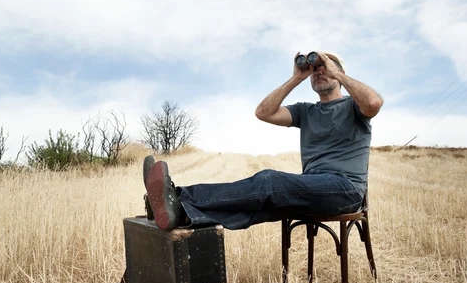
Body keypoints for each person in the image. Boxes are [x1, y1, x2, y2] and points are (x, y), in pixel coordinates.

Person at [144, 51, 383, 231]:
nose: (319, 71)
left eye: (324, 67)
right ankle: (182, 214)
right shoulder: (306, 111)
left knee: (269, 181)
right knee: (260, 206)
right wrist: (295, 79)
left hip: (345, 190)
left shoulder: (354, 106)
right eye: (314, 68)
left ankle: (177, 197)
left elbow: (373, 103)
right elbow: (263, 113)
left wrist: (338, 72)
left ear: (338, 73)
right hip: (312, 187)